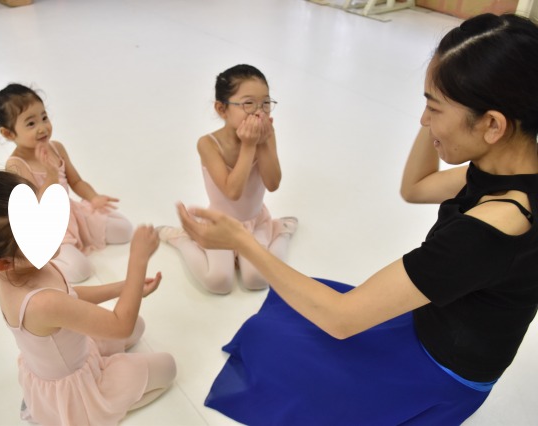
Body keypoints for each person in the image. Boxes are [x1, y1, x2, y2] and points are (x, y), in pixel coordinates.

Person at [178, 13, 538, 425]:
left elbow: (342, 319)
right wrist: (443, 100)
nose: (423, 120)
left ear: (492, 124)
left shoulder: (495, 226)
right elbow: (417, 187)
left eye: (433, 108)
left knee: (281, 346)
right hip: (435, 321)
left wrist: (242, 242)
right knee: (281, 329)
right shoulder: (509, 169)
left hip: (435, 371)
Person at [0, 170, 176, 425]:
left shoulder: (16, 268)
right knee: (168, 367)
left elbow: (70, 297)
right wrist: (138, 261)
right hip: (75, 386)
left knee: (139, 325)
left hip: (73, 351)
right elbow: (120, 326)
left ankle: (67, 399)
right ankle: (86, 414)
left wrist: (124, 288)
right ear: (3, 263)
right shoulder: (41, 302)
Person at [159, 64, 297, 294]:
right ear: (222, 109)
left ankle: (281, 231)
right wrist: (249, 146)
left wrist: (263, 143)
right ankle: (181, 240)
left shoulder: (266, 134)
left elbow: (273, 184)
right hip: (220, 224)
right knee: (218, 282)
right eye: (248, 103)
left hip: (255, 222)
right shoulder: (208, 144)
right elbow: (232, 191)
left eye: (265, 103)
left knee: (258, 280)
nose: (259, 112)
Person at [0, 83, 133, 291]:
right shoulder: (16, 165)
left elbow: (76, 181)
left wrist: (93, 198)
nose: (42, 127)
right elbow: (37, 208)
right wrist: (51, 174)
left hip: (72, 215)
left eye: (44, 117)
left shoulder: (56, 147)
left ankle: (78, 239)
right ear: (9, 134)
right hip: (48, 227)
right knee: (81, 270)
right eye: (31, 123)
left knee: (125, 230)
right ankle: (25, 265)